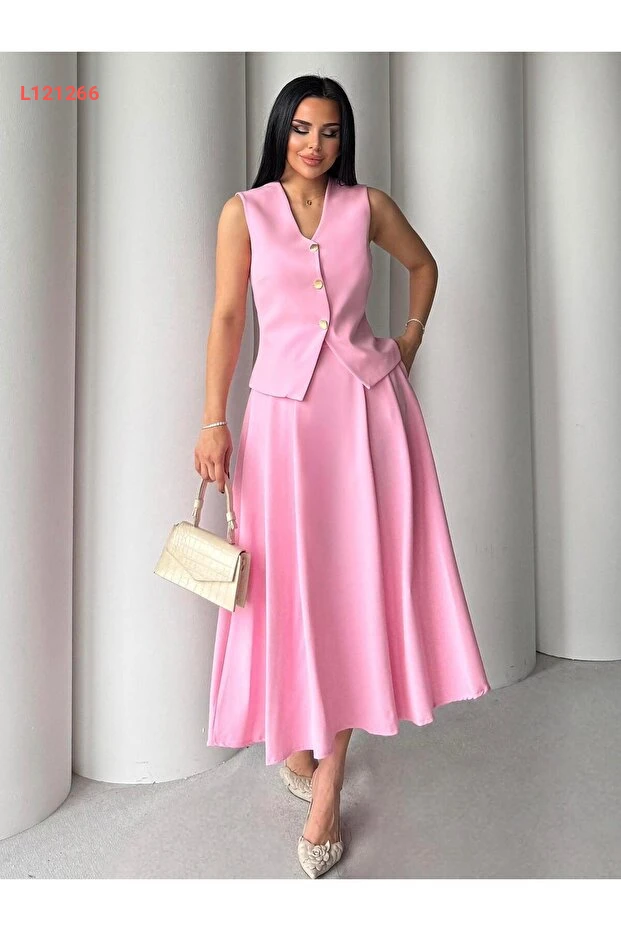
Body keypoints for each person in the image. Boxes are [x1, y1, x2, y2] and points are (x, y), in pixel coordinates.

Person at [194, 74, 491, 879]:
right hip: (282, 427)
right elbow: (228, 316)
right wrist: (213, 418)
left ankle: (328, 784)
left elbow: (423, 266)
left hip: (368, 417)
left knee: (355, 585)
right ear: (279, 131)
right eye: (301, 129)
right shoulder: (244, 212)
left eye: (328, 131)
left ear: (343, 137)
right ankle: (298, 734)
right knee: (288, 584)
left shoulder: (368, 206)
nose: (314, 145)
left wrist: (407, 341)